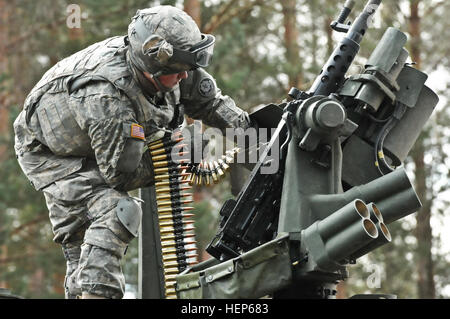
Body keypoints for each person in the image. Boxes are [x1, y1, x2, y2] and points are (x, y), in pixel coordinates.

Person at [13, 5, 256, 299]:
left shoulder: (174, 65)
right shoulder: (107, 96)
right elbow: (119, 175)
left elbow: (212, 105)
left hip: (99, 135)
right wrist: (175, 156)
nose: (184, 78)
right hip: (52, 154)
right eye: (178, 72)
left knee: (91, 243)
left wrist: (253, 135)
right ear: (151, 67)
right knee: (112, 212)